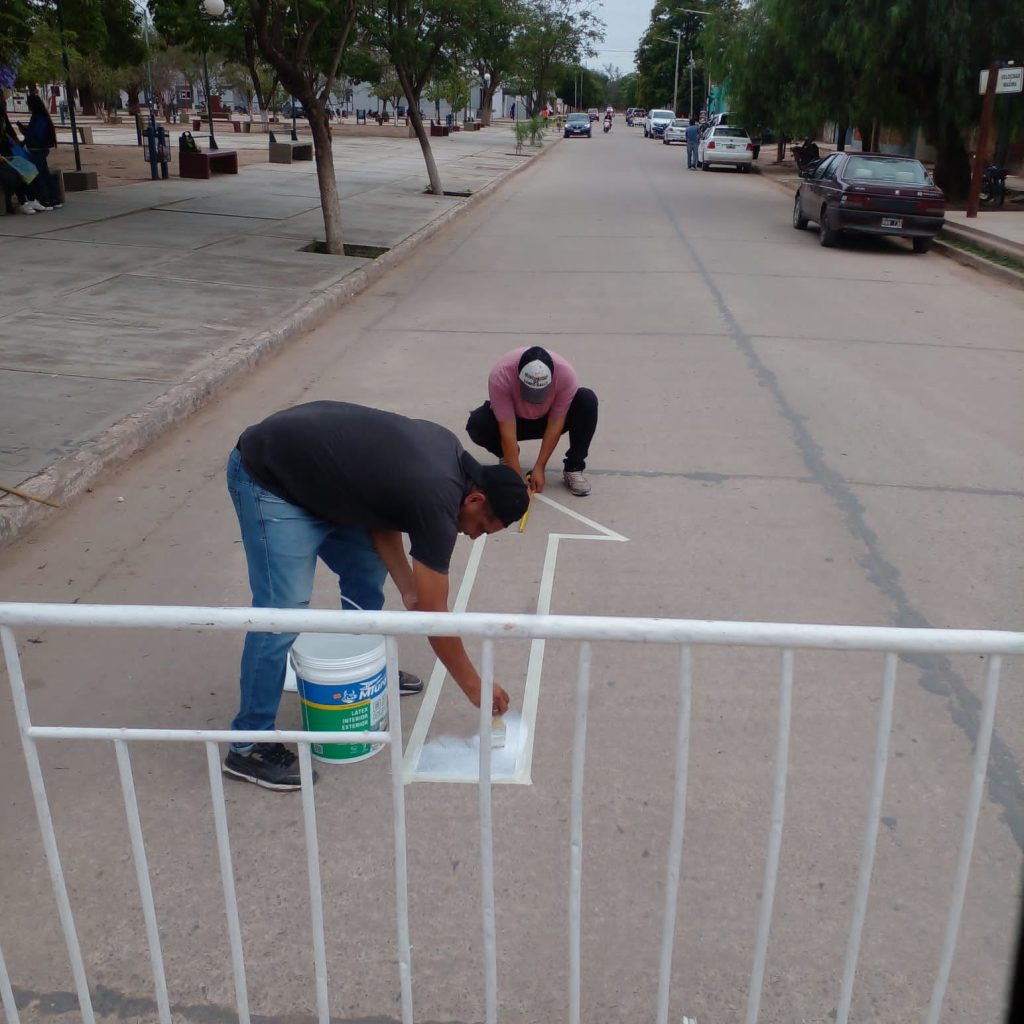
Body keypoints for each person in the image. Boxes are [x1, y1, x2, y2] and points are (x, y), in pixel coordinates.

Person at [223, 401, 530, 791]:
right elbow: (436, 617)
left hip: (320, 480)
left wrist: (407, 588)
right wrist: (475, 687)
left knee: (366, 571)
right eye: (482, 528)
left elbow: (381, 508)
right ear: (475, 501)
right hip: (271, 477)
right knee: (282, 614)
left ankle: (363, 670)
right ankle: (249, 745)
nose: (474, 536)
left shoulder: (451, 461)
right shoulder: (438, 497)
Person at [466, 346, 598, 497]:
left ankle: (574, 467)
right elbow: (507, 429)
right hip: (515, 421)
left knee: (586, 400)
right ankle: (508, 456)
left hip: (548, 419)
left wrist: (540, 467)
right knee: (478, 422)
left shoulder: (565, 375)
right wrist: (516, 477)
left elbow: (555, 424)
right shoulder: (501, 374)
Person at [17, 94, 62, 209]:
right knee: (45, 173)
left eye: (28, 103)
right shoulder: (41, 116)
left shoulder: (38, 117)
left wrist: (25, 132)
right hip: (40, 149)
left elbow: (35, 135)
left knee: (39, 175)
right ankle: (54, 198)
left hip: (37, 149)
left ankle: (45, 199)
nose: (27, 105)